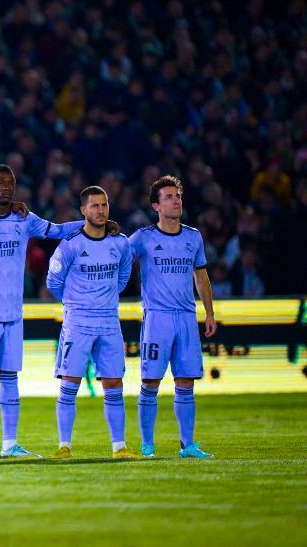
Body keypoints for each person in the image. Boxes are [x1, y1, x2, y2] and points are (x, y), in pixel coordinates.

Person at [0, 164, 113, 459]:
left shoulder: (25, 220)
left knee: (10, 378)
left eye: (10, 183)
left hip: (12, 314)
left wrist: (94, 225)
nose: (6, 188)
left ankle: (9, 445)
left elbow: (58, 231)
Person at [129, 175, 216, 458]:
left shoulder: (193, 237)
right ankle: (147, 445)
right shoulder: (143, 238)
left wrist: (209, 314)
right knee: (150, 382)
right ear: (156, 205)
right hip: (157, 319)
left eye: (177, 196)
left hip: (187, 318)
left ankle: (187, 444)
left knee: (186, 382)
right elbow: (117, 257)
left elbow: (201, 277)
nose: (176, 200)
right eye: (168, 197)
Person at [46, 185, 135, 460]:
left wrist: (105, 299)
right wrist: (76, 303)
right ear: (83, 210)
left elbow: (123, 276)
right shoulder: (71, 244)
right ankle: (64, 446)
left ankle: (119, 447)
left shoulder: (120, 243)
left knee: (114, 385)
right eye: (94, 206)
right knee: (70, 383)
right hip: (78, 323)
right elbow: (53, 282)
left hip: (109, 322)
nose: (101, 210)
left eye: (104, 205)